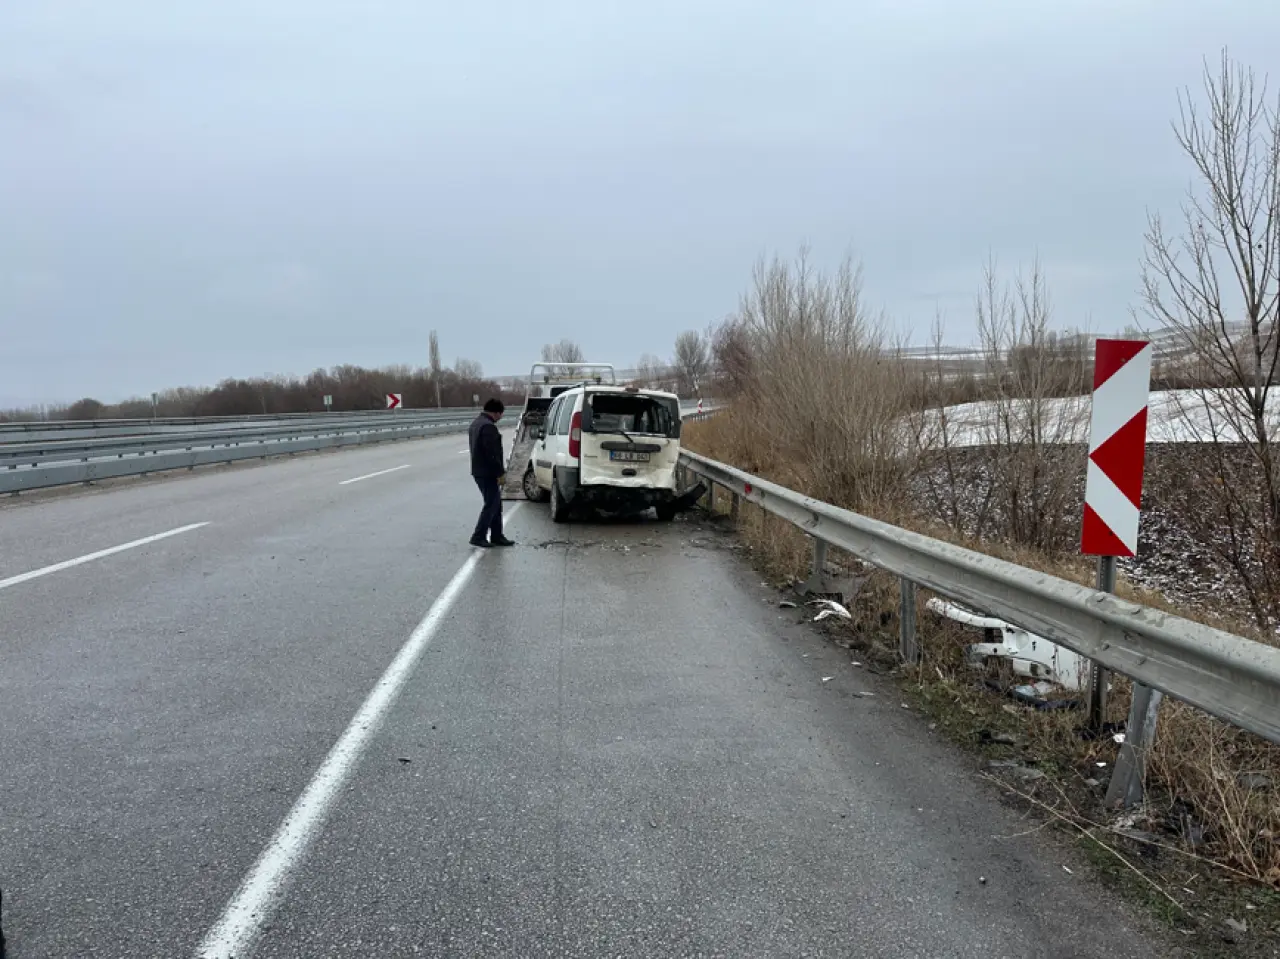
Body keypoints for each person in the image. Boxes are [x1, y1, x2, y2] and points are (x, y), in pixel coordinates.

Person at [468, 399, 515, 548]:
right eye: (501, 414)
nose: (500, 417)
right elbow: (492, 454)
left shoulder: (476, 423)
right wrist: (500, 473)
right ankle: (478, 536)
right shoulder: (488, 427)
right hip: (487, 472)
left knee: (495, 503)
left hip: (479, 471)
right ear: (496, 413)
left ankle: (497, 535)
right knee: (491, 504)